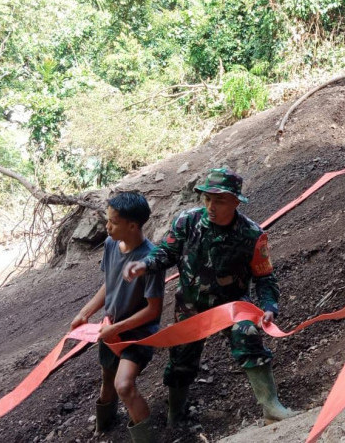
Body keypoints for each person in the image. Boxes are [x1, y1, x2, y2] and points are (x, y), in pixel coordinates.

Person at [122, 167, 297, 426]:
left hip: (232, 306)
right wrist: (144, 265)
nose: (211, 206)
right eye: (207, 199)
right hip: (190, 306)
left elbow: (264, 276)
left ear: (236, 202)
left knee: (247, 335)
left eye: (219, 200)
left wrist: (269, 305)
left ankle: (271, 406)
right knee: (181, 361)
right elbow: (166, 253)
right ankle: (175, 415)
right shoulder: (187, 221)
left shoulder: (252, 234)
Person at [70, 192, 165, 443]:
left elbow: (153, 311)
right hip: (110, 328)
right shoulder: (112, 244)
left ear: (132, 225)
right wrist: (85, 313)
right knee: (108, 380)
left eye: (112, 221)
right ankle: (104, 427)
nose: (107, 226)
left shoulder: (151, 260)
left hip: (137, 334)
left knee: (124, 385)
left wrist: (117, 329)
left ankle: (147, 438)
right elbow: (108, 284)